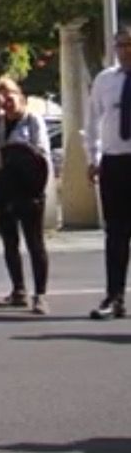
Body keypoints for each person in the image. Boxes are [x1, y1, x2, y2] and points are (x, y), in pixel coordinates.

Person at [0, 77, 52, 314]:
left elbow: (40, 151)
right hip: (5, 187)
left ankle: (40, 294)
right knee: (10, 241)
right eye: (0, 96)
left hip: (29, 188)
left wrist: (12, 151)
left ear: (20, 96)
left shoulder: (32, 120)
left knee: (34, 242)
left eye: (10, 95)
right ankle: (18, 289)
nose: (7, 101)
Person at [83, 27, 131, 320]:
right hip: (114, 162)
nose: (125, 50)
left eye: (130, 45)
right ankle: (114, 296)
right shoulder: (105, 80)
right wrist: (93, 157)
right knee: (115, 233)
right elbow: (92, 121)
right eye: (121, 45)